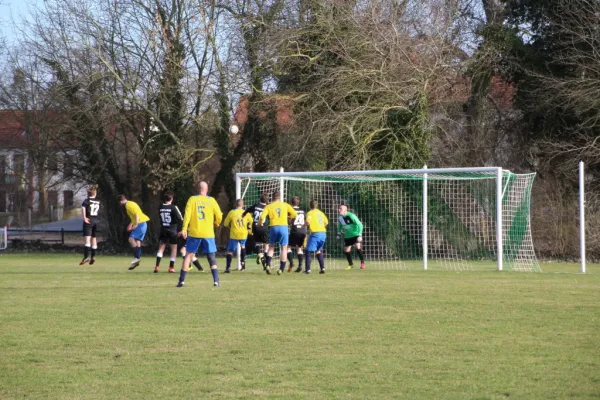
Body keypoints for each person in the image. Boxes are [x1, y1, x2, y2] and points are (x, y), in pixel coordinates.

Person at [177, 181, 223, 287]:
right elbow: (219, 215)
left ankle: (181, 281)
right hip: (208, 233)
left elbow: (187, 215)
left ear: (198, 189)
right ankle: (216, 281)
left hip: (194, 232)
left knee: (188, 255)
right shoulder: (211, 200)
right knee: (211, 257)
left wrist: (184, 229)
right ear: (206, 190)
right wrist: (217, 223)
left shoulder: (192, 199)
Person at [259, 191, 297, 275]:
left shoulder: (268, 206)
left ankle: (268, 265)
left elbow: (262, 217)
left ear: (272, 198)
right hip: (283, 227)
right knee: (284, 248)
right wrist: (288, 217)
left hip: (273, 227)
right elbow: (294, 214)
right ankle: (281, 269)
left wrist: (260, 223)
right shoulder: (285, 205)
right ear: (279, 197)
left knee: (271, 247)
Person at [118, 194, 150, 270]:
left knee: (131, 239)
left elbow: (136, 214)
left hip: (140, 223)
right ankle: (136, 259)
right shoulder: (130, 203)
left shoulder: (128, 205)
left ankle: (136, 258)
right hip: (143, 223)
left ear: (120, 201)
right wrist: (130, 224)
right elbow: (133, 216)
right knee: (137, 241)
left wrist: (135, 224)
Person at [155, 191, 183, 273]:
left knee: (161, 248)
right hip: (172, 230)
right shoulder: (174, 207)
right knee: (174, 248)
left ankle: (157, 266)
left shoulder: (161, 207)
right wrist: (180, 229)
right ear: (172, 198)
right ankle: (171, 267)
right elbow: (180, 218)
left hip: (163, 229)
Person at [223, 199, 253, 273]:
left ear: (235, 205)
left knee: (230, 251)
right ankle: (243, 265)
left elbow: (225, 224)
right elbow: (251, 222)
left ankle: (228, 267)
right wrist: (249, 230)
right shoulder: (246, 213)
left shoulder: (232, 212)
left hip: (234, 234)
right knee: (243, 247)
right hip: (243, 233)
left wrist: (231, 226)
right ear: (243, 205)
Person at [242, 193, 269, 269]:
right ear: (267, 200)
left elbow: (247, 210)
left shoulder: (256, 205)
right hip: (264, 227)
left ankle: (260, 255)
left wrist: (243, 214)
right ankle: (265, 262)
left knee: (257, 244)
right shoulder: (267, 207)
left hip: (256, 227)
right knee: (266, 245)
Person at [337, 203, 366, 270]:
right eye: (338, 208)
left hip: (356, 234)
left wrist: (360, 234)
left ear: (345, 210)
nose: (339, 210)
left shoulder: (351, 216)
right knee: (346, 250)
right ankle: (350, 264)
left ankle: (362, 263)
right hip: (348, 235)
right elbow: (340, 225)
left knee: (357, 247)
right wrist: (338, 233)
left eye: (340, 208)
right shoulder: (340, 216)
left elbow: (360, 225)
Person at [305, 199, 329, 274]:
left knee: (308, 251)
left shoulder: (309, 213)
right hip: (323, 234)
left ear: (310, 206)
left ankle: (308, 269)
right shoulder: (321, 213)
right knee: (318, 251)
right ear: (317, 205)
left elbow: (308, 222)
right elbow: (326, 222)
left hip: (316, 234)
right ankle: (323, 268)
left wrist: (303, 224)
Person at [80, 185, 101, 265]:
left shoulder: (86, 201)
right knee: (94, 238)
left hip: (89, 220)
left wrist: (84, 217)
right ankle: (93, 256)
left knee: (87, 240)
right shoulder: (98, 200)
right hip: (96, 220)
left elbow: (83, 208)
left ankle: (86, 257)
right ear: (95, 193)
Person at [287, 196, 306, 273]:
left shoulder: (291, 210)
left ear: (291, 203)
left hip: (295, 231)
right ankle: (300, 265)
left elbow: (289, 222)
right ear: (299, 203)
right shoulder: (303, 211)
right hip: (302, 231)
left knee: (288, 248)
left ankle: (291, 262)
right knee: (299, 248)